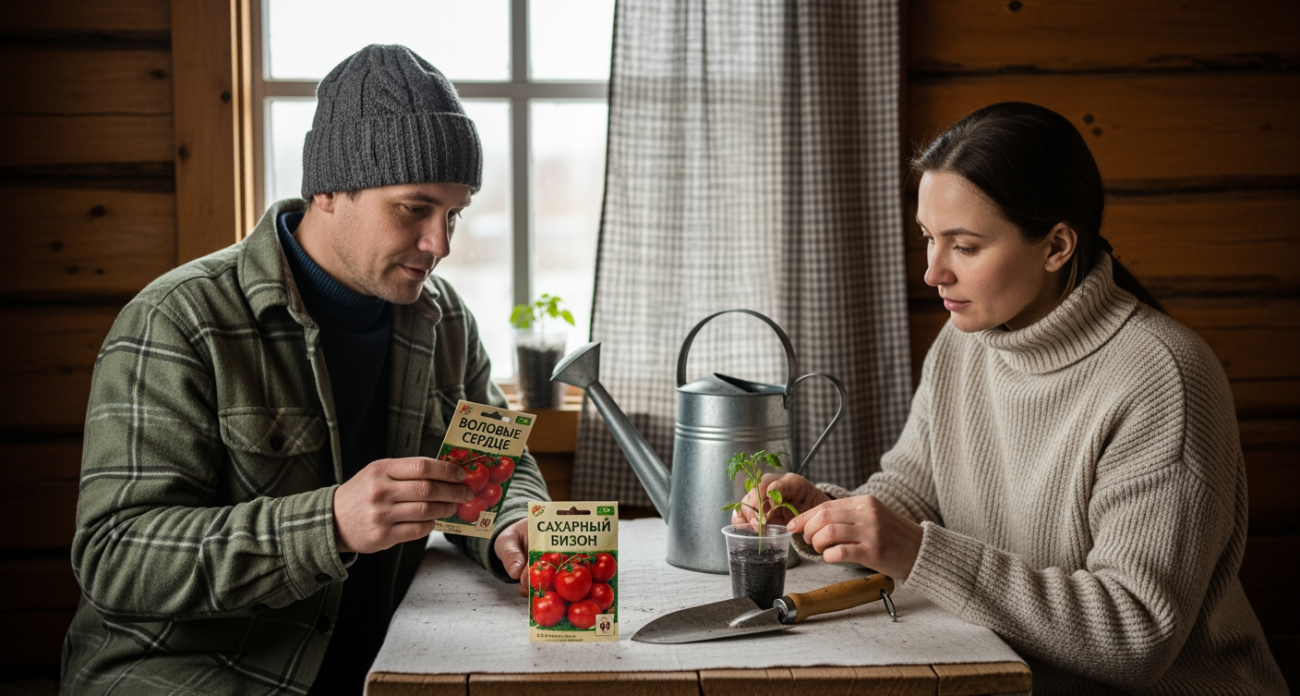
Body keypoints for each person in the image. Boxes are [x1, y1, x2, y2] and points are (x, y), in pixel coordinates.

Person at [734, 103, 1287, 692]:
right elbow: (914, 495)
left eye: (965, 247)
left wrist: (917, 551)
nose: (933, 273)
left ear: (1056, 246)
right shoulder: (962, 342)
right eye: (929, 238)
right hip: (1003, 677)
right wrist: (828, 514)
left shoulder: (1163, 378)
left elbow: (1135, 634)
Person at [60, 45, 549, 696]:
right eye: (414, 208)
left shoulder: (446, 319)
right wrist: (330, 525)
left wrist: (514, 523)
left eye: (453, 214)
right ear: (326, 190)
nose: (441, 244)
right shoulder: (177, 319)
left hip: (385, 669)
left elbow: (496, 469)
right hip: (195, 676)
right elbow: (115, 557)